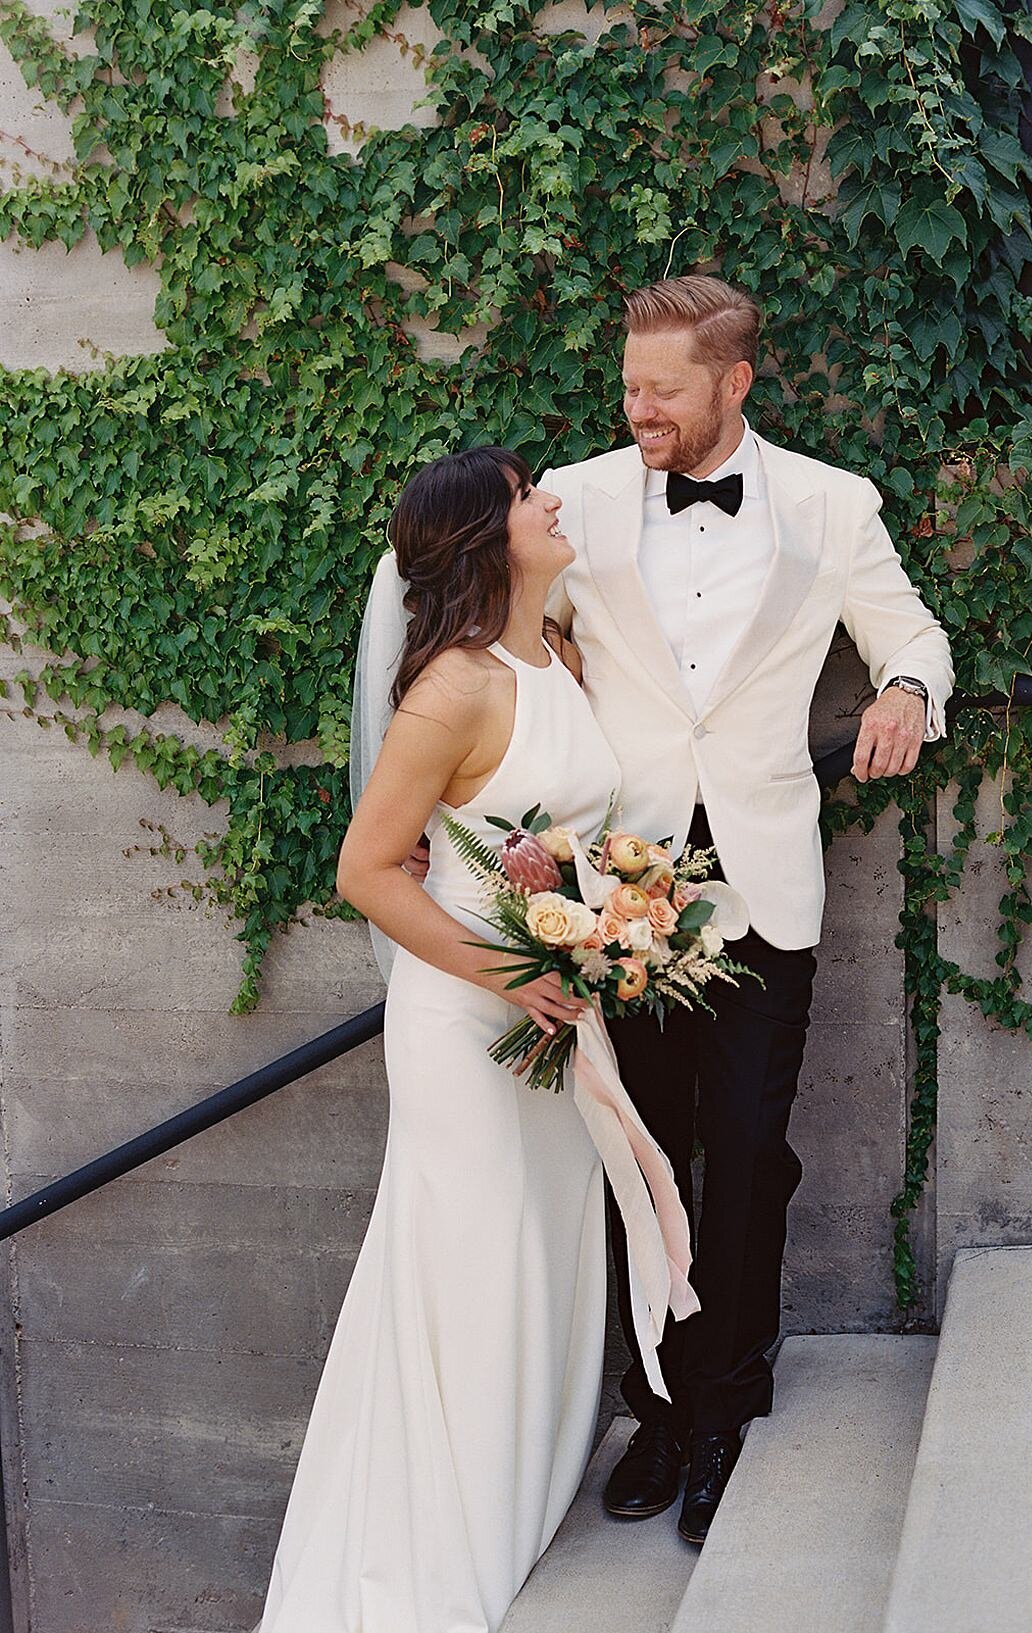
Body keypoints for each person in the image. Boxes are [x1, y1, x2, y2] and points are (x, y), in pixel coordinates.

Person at [538, 274, 955, 1543]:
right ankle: (657, 1407)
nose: (637, 408)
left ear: (736, 383)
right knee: (644, 1152)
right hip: (623, 887)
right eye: (628, 385)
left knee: (749, 1151)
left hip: (762, 882)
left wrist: (901, 697)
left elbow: (916, 638)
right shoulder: (580, 493)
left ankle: (726, 1406)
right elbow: (519, 637)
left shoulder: (832, 505)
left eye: (662, 390)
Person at [253, 447, 633, 1633]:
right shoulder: (452, 690)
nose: (554, 500)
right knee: (470, 1267)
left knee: (546, 1255)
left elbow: (551, 832)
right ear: (484, 536)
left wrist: (613, 924)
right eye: (529, 496)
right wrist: (511, 973)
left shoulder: (557, 657)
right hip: (469, 1015)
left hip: (553, 1006)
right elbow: (366, 869)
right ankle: (434, 1555)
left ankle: (516, 1506)